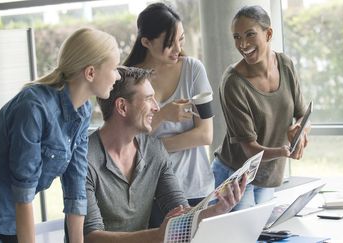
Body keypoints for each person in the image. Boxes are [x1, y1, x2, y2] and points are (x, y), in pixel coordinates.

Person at [0, 27, 120, 243]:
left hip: (9, 220)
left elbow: (76, 187)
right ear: (91, 72)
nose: (118, 76)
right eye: (114, 69)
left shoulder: (83, 111)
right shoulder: (33, 108)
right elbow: (24, 193)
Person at [83, 66, 246, 243]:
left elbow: (182, 212)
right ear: (122, 106)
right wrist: (159, 235)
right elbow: (91, 237)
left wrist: (219, 209)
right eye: (148, 99)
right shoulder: (84, 159)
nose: (156, 108)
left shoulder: (154, 150)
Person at [123, 2, 215, 224]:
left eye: (180, 39)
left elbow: (205, 135)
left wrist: (154, 147)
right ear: (146, 42)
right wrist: (163, 115)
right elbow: (128, 143)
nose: (177, 48)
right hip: (150, 193)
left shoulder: (193, 70)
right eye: (169, 43)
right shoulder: (127, 79)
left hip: (196, 188)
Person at [212, 5, 310, 211]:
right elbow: (250, 149)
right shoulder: (233, 83)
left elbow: (302, 115)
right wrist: (284, 152)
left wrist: (300, 132)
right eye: (237, 37)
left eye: (250, 35)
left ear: (269, 34)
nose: (243, 44)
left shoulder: (285, 65)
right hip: (235, 177)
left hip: (267, 176)